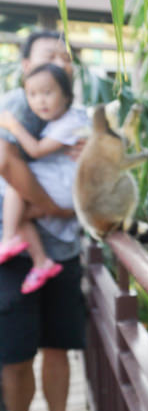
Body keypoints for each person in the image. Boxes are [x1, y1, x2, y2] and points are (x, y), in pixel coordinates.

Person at [0, 30, 89, 411]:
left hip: (65, 250)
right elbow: (11, 166)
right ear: (25, 71)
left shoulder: (73, 117)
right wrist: (56, 205)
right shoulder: (12, 114)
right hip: (11, 255)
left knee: (58, 348)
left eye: (64, 57)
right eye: (47, 56)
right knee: (14, 357)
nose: (59, 61)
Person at [0, 63, 88, 293]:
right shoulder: (66, 119)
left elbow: (36, 150)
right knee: (21, 215)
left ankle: (8, 239)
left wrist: (12, 125)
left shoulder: (72, 121)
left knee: (15, 184)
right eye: (33, 94)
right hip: (64, 189)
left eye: (48, 93)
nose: (41, 101)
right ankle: (41, 262)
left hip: (67, 188)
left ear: (67, 95)